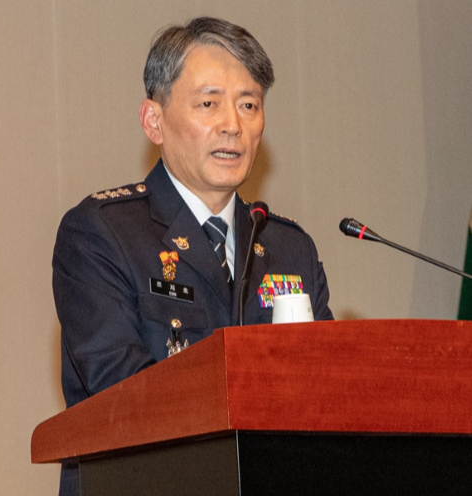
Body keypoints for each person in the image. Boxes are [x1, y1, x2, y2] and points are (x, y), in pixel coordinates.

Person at [52, 16, 334, 495]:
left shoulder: (290, 248)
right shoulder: (103, 233)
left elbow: (330, 393)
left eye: (249, 105)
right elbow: (123, 392)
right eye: (209, 103)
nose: (233, 125)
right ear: (154, 121)